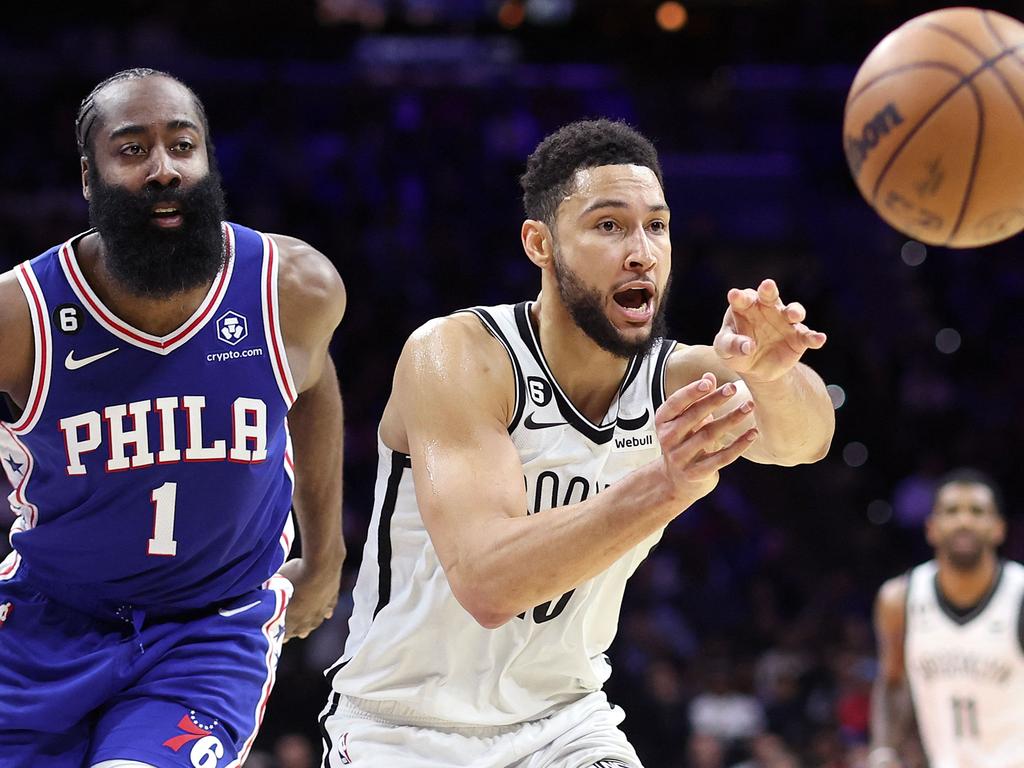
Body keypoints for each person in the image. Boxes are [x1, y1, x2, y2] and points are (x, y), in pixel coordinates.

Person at [319, 119, 834, 767]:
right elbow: (489, 584)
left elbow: (806, 440)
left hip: (563, 721)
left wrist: (771, 375)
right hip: (402, 727)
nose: (642, 250)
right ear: (540, 243)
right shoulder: (458, 356)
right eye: (609, 225)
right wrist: (664, 487)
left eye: (657, 225)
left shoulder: (673, 375)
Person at [0, 68, 346, 768]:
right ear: (90, 175)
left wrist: (327, 554)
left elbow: (312, 388)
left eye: (182, 146)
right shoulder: (21, 316)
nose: (164, 170)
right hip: (46, 623)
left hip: (208, 633)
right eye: (132, 150)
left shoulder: (291, 287)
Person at [870, 468, 1024, 768]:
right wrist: (884, 751)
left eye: (977, 511)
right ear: (931, 527)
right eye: (951, 511)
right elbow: (892, 682)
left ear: (999, 528)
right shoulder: (899, 599)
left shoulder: (1019, 594)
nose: (964, 521)